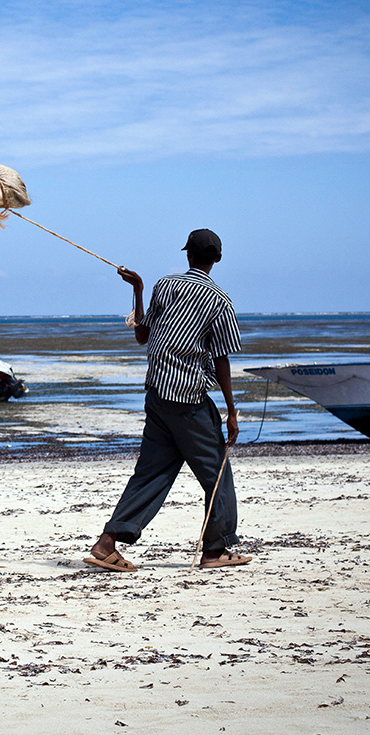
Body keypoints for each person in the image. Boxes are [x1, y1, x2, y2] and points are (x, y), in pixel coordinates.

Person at [85, 228, 251, 572]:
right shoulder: (219, 301)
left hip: (158, 396)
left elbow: (142, 336)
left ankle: (106, 544)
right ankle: (214, 551)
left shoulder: (164, 285)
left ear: (188, 255)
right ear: (216, 260)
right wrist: (232, 411)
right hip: (189, 402)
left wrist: (138, 289)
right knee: (218, 476)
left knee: (151, 473)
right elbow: (221, 359)